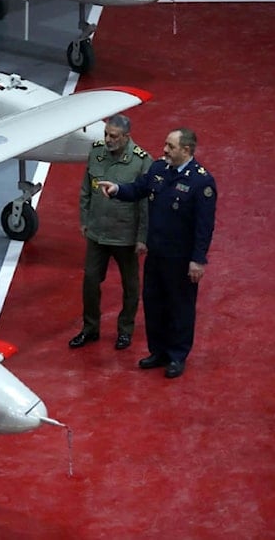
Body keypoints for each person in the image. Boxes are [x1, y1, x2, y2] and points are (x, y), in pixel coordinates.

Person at [98, 128, 217, 378]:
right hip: (156, 254)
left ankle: (176, 356)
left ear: (186, 150)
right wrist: (117, 189)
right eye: (165, 144)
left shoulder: (201, 182)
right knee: (154, 303)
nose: (164, 150)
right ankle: (158, 351)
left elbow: (203, 226)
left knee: (180, 307)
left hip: (181, 259)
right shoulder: (158, 170)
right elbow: (139, 189)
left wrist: (198, 260)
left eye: (170, 146)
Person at [69, 114, 152, 350]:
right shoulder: (96, 152)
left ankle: (125, 330)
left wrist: (142, 238)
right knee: (90, 281)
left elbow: (146, 203)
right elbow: (86, 188)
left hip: (125, 235)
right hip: (97, 232)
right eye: (106, 134)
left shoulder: (142, 161)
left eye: (113, 136)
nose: (107, 139)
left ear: (126, 137)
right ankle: (90, 328)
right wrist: (84, 219)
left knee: (131, 286)